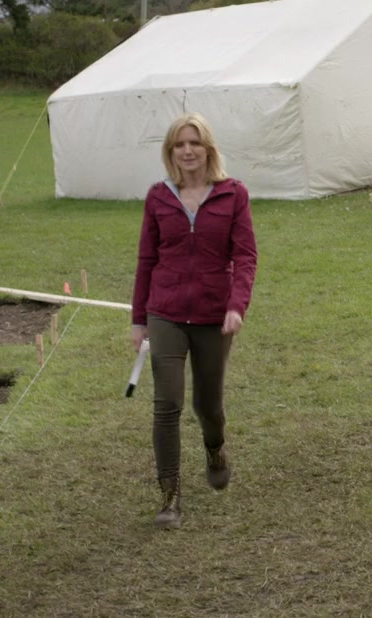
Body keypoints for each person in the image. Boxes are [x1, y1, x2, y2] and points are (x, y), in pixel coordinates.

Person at [130, 112, 257, 530]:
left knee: (208, 405)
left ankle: (215, 448)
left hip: (213, 316)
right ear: (171, 152)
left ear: (208, 149)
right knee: (167, 404)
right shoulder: (158, 197)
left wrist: (236, 306)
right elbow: (146, 259)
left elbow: (245, 257)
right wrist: (138, 319)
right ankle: (169, 497)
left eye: (194, 143)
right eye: (179, 145)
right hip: (164, 312)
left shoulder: (233, 194)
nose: (187, 151)